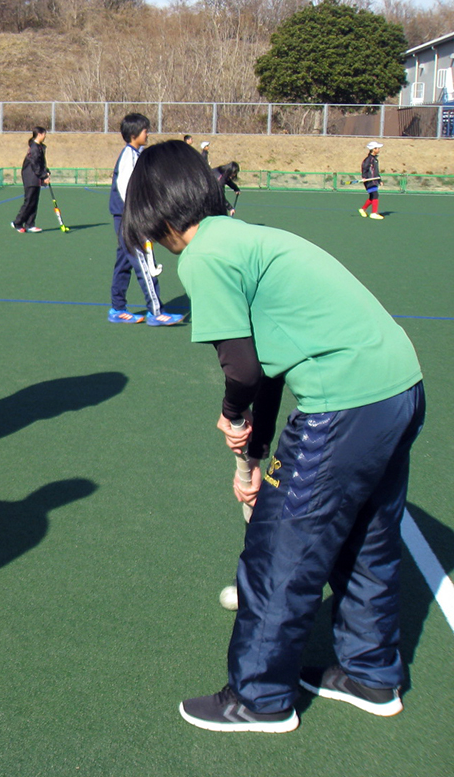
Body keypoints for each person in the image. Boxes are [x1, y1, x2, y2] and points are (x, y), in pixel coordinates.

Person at [122, 140, 425, 733]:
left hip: (346, 401)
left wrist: (233, 414)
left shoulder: (204, 255)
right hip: (399, 386)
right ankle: (370, 674)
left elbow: (244, 371)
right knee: (366, 539)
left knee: (281, 550)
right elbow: (269, 363)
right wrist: (254, 451)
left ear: (158, 217)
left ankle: (258, 698)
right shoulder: (246, 236)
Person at [106, 113, 183, 326]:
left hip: (126, 217)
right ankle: (156, 311)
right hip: (128, 218)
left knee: (124, 262)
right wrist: (139, 217)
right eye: (145, 130)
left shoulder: (137, 155)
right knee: (143, 262)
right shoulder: (129, 156)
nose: (147, 133)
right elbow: (125, 189)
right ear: (134, 134)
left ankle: (117, 308)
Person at [11, 126, 50, 232]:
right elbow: (35, 164)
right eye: (44, 134)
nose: (45, 136)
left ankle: (30, 224)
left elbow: (41, 163)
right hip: (30, 178)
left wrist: (47, 172)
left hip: (36, 178)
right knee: (28, 202)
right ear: (40, 134)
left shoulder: (40, 147)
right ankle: (17, 223)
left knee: (34, 202)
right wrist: (43, 176)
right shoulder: (34, 148)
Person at [359, 140, 384, 219]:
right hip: (369, 181)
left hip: (374, 180)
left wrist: (379, 180)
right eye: (378, 148)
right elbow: (364, 168)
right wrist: (364, 177)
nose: (379, 150)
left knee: (372, 196)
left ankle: (363, 209)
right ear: (373, 149)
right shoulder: (369, 159)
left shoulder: (375, 159)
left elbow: (376, 171)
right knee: (375, 195)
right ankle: (374, 213)